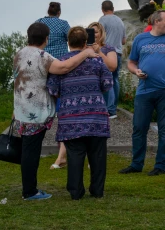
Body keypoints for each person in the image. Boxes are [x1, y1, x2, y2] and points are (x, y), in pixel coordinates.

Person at [13, 22, 97, 201]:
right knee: (31, 152)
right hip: (36, 112)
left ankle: (30, 188)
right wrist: (86, 53)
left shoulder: (19, 54)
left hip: (21, 109)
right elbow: (64, 67)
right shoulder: (42, 56)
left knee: (29, 149)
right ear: (46, 39)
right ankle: (29, 191)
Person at [119, 10, 165, 176]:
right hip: (144, 91)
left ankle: (160, 165)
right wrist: (136, 72)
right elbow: (131, 62)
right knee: (139, 128)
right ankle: (136, 164)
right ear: (156, 21)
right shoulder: (140, 39)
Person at [46, 27, 113, 200]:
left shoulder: (59, 63)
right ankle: (97, 191)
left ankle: (76, 191)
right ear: (85, 42)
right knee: (97, 155)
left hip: (70, 118)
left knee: (75, 155)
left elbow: (53, 89)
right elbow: (107, 85)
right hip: (96, 116)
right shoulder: (97, 62)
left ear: (68, 43)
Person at [35, 2, 71, 171]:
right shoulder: (63, 24)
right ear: (59, 12)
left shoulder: (39, 22)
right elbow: (71, 39)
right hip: (60, 64)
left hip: (42, 63)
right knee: (61, 98)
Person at [99, 0, 126, 119]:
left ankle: (109, 109)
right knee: (115, 79)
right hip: (118, 53)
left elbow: (99, 36)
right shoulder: (120, 21)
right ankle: (114, 106)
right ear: (113, 8)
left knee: (107, 79)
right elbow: (124, 40)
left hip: (107, 54)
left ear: (102, 9)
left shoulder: (103, 20)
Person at [89, 22, 119, 118]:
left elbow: (112, 67)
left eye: (96, 32)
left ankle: (110, 110)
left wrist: (99, 52)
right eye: (90, 32)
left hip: (103, 84)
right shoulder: (83, 48)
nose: (93, 35)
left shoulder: (108, 48)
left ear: (101, 34)